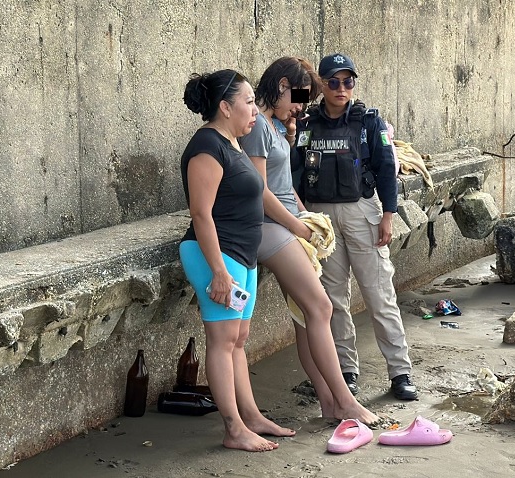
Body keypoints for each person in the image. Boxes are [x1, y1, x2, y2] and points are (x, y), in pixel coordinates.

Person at [239, 57, 381, 425]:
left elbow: (285, 187)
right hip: (270, 227)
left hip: (287, 222)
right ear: (283, 85)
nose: (302, 107)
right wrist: (297, 225)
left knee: (305, 318)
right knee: (320, 307)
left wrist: (305, 218)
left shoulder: (272, 124)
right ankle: (345, 401)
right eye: (300, 97)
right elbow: (261, 191)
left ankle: (329, 403)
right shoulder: (256, 125)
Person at [179, 69, 295, 452]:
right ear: (225, 107)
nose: (255, 112)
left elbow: (259, 194)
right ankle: (233, 429)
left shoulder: (232, 142)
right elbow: (201, 214)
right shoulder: (206, 147)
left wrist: (301, 226)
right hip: (215, 254)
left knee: (239, 338)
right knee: (222, 338)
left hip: (241, 254)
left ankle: (252, 416)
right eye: (248, 103)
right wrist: (218, 272)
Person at [291, 53, 418, 400]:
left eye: (348, 81)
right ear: (322, 86)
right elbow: (295, 173)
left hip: (363, 212)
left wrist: (388, 215)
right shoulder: (305, 124)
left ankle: (400, 371)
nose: (341, 88)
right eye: (333, 82)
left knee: (379, 294)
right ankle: (346, 371)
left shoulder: (369, 122)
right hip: (321, 218)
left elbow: (386, 167)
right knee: (333, 298)